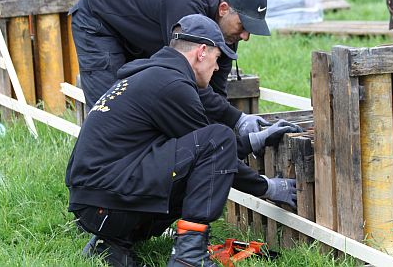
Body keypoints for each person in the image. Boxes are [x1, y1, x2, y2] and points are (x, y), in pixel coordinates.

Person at [65, 14, 302, 267]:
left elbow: (195, 146)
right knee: (218, 139)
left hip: (94, 205)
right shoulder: (170, 85)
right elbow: (213, 150)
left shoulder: (154, 76)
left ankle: (110, 244)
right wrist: (268, 187)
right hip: (106, 204)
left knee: (210, 147)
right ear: (201, 52)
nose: (218, 67)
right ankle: (189, 256)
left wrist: (252, 140)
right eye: (217, 58)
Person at [70, 0, 272, 136]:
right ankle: (104, 174)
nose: (246, 36)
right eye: (243, 25)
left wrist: (225, 131)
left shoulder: (227, 28)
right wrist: (236, 119)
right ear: (223, 8)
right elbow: (182, 78)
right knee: (111, 113)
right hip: (99, 21)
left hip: (140, 28)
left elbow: (213, 88)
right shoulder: (185, 4)